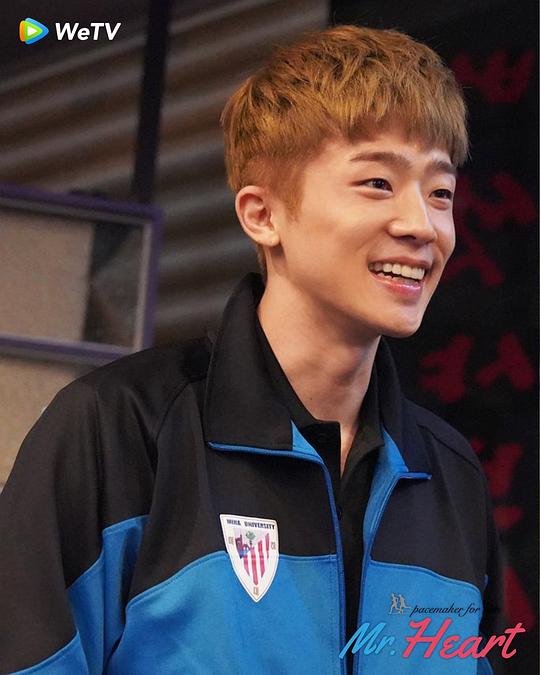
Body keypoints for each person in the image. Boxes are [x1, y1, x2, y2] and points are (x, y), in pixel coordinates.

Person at [0, 24, 505, 675]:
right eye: (378, 183)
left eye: (440, 193)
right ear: (262, 215)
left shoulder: (450, 476)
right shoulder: (119, 433)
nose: (422, 226)